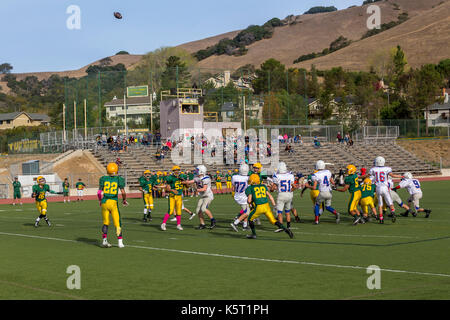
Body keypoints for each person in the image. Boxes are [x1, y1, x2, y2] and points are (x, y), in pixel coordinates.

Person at [232, 174, 293, 239]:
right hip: (266, 206)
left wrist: (249, 202)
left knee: (250, 219)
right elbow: (270, 196)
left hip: (258, 207)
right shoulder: (263, 186)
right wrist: (274, 205)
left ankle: (254, 234)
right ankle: (286, 229)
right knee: (273, 221)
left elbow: (249, 200)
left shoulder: (250, 188)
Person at [98, 163, 128, 248]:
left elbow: (99, 192)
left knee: (105, 222)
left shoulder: (103, 178)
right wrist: (124, 200)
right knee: (117, 222)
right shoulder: (119, 179)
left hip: (105, 202)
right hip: (113, 202)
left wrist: (100, 200)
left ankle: (104, 241)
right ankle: (120, 242)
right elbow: (123, 192)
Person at [369, 156, 403, 223]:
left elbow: (369, 177)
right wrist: (401, 176)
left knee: (380, 204)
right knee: (390, 202)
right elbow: (393, 175)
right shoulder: (387, 169)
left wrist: (360, 177)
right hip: (385, 188)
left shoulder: (373, 169)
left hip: (378, 188)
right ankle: (392, 212)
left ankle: (381, 219)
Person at [184, 165, 217, 230]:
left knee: (203, 209)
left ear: (201, 171)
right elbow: (189, 182)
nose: (196, 171)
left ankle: (213, 220)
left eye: (197, 170)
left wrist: (195, 190)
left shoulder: (206, 178)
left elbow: (204, 189)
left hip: (208, 196)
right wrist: (182, 181)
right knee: (198, 211)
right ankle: (202, 224)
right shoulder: (197, 178)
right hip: (202, 196)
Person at [311, 160, 340, 225]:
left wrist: (308, 185)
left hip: (322, 192)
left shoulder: (315, 175)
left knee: (317, 205)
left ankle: (316, 220)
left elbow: (314, 187)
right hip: (329, 192)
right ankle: (336, 213)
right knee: (328, 206)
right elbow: (332, 182)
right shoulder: (328, 172)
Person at [271, 162, 297, 232]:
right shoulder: (290, 175)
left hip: (281, 195)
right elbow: (294, 187)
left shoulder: (277, 176)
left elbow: (273, 188)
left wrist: (271, 189)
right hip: (289, 194)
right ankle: (288, 226)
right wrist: (290, 190)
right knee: (287, 211)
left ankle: (281, 226)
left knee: (279, 212)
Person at [160, 166, 187, 231]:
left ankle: (178, 224)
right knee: (171, 210)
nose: (177, 171)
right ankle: (163, 223)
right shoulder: (170, 178)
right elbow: (167, 187)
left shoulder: (182, 176)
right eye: (175, 170)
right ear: (173, 171)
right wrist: (172, 190)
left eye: (178, 170)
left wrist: (185, 182)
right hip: (172, 196)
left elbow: (187, 186)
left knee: (179, 211)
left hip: (179, 196)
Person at [230, 164, 250, 231]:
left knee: (246, 210)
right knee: (247, 212)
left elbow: (233, 187)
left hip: (237, 196)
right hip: (244, 197)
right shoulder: (248, 178)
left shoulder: (234, 177)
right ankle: (235, 223)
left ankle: (245, 226)